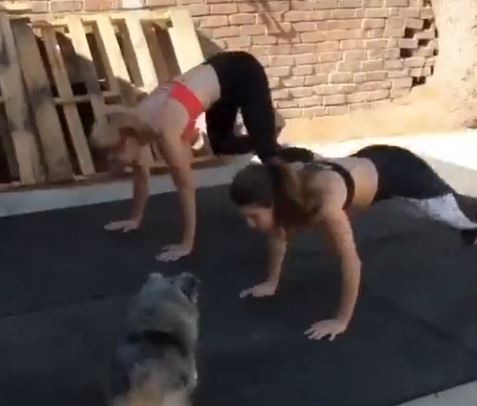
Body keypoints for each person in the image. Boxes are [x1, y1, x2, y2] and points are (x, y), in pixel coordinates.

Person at [229, 144, 477, 341]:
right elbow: (278, 234)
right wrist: (271, 283)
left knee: (460, 216)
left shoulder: (325, 202)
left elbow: (351, 261)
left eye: (253, 217)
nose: (250, 225)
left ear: (272, 204)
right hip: (367, 162)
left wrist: (341, 321)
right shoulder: (282, 188)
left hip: (401, 172)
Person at [90, 51, 313, 262]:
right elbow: (140, 178)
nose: (115, 162)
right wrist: (134, 219)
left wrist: (186, 244)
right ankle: (265, 132)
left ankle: (289, 167)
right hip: (220, 85)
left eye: (113, 156)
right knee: (222, 146)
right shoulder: (133, 129)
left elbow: (186, 188)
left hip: (243, 72)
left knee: (268, 156)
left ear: (125, 140)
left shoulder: (165, 131)